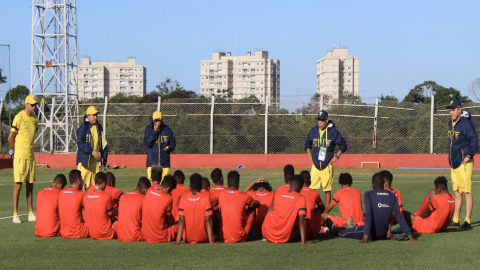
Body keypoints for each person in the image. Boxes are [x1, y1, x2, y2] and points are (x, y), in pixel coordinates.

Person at [333, 173, 421, 243]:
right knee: (353, 228)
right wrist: (411, 237)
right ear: (384, 184)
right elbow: (399, 217)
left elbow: (368, 214)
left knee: (344, 233)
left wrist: (366, 236)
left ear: (373, 185)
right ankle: (348, 226)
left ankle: (333, 228)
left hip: (371, 233)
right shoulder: (392, 195)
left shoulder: (369, 194)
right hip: (383, 234)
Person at [446, 99, 478, 229]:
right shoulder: (451, 123)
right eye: (450, 110)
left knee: (467, 192)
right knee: (457, 191)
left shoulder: (466, 124)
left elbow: (474, 141)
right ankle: (456, 219)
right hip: (454, 163)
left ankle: (467, 221)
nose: (451, 112)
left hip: (465, 162)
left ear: (460, 109)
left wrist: (469, 154)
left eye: (453, 110)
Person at [305, 110, 347, 208]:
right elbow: (307, 143)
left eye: (322, 120)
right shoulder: (314, 130)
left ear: (327, 120)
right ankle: (310, 207)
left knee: (327, 190)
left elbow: (343, 145)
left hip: (327, 165)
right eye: (318, 120)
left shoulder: (333, 132)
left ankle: (326, 213)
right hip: (315, 165)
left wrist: (336, 157)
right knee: (311, 189)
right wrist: (309, 157)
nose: (320, 122)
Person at [9, 95, 39, 223]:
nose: (34, 107)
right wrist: (16, 153)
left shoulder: (35, 120)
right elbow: (10, 138)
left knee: (30, 185)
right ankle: (15, 214)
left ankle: (30, 213)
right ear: (26, 104)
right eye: (32, 105)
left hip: (30, 156)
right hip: (20, 157)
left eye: (35, 105)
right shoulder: (19, 117)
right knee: (18, 185)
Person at [262, 175, 311, 246]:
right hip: (283, 238)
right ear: (301, 188)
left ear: (290, 184)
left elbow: (269, 212)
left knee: (271, 212)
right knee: (297, 229)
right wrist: (304, 242)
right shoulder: (301, 198)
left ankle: (263, 236)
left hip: (267, 233)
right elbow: (301, 220)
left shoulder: (278, 192)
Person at [172, 173, 217, 245]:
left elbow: (181, 220)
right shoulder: (206, 197)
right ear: (200, 187)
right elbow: (208, 220)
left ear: (190, 187)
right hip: (204, 238)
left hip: (188, 238)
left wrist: (177, 241)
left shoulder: (183, 197)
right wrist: (211, 241)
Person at [216, 171, 260, 243]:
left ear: (227, 184)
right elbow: (258, 204)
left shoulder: (221, 195)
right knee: (252, 208)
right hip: (239, 237)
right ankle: (250, 234)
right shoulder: (243, 196)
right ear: (239, 184)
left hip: (223, 237)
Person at [76, 106, 108, 189]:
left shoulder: (99, 127)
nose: (95, 117)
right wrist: (92, 151)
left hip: (95, 163)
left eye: (96, 115)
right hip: (84, 162)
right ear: (88, 116)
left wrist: (104, 157)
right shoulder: (83, 128)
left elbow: (104, 144)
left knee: (96, 188)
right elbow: (80, 144)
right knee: (82, 187)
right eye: (93, 115)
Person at [141, 175, 178, 243]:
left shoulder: (149, 190)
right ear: (168, 189)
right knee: (179, 226)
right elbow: (170, 222)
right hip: (158, 236)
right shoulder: (168, 198)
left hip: (145, 235)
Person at [83, 172, 116, 240]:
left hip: (91, 233)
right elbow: (111, 215)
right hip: (106, 233)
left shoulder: (86, 196)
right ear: (104, 184)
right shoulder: (107, 196)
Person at [144, 110, 176, 181]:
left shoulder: (167, 129)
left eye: (158, 120)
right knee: (152, 186)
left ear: (161, 120)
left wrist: (169, 147)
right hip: (152, 164)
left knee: (164, 186)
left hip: (164, 163)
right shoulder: (148, 129)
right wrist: (155, 131)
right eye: (155, 120)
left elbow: (173, 143)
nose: (157, 122)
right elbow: (148, 143)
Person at [117, 177, 151, 242]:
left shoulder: (123, 196)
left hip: (120, 235)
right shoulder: (144, 198)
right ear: (146, 190)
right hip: (135, 236)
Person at [58, 169, 89, 239]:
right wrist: (84, 192)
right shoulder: (81, 194)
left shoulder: (61, 193)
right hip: (79, 232)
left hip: (64, 232)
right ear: (78, 180)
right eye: (81, 180)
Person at [300, 170, 325, 240]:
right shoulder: (315, 193)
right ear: (310, 182)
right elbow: (323, 209)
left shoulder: (296, 192)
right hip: (312, 232)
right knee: (318, 211)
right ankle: (324, 226)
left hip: (298, 231)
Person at [380, 170, 404, 236]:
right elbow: (401, 212)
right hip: (393, 219)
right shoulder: (397, 192)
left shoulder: (381, 193)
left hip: (381, 221)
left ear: (385, 183)